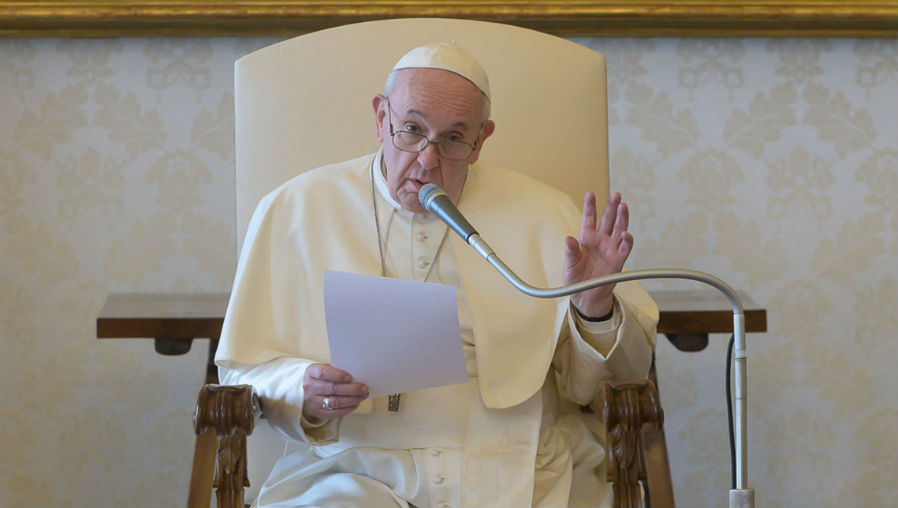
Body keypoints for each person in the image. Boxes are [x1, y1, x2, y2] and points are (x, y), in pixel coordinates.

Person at [216, 42, 658, 508]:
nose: (428, 160)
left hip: (519, 460)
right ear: (380, 116)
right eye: (411, 130)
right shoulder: (295, 209)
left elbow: (614, 383)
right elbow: (241, 371)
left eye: (453, 139)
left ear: (481, 140)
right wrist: (301, 386)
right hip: (352, 463)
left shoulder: (547, 214)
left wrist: (595, 310)